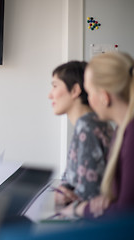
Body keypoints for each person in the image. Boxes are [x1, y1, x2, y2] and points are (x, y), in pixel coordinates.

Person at [60, 52, 134, 219]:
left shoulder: (131, 135)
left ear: (104, 97)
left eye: (89, 92)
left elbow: (126, 214)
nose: (88, 99)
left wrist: (80, 209)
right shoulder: (121, 131)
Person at [48, 61, 113, 205]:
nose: (49, 95)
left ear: (75, 90)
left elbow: (89, 196)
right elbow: (71, 181)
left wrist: (64, 196)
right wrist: (63, 191)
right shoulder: (86, 124)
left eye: (54, 86)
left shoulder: (88, 128)